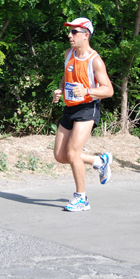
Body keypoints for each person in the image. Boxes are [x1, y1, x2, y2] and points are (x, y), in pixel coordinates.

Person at [52, 17, 114, 212]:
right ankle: (99, 161)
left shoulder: (95, 60)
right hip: (70, 107)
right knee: (60, 156)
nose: (69, 36)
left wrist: (87, 91)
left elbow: (108, 90)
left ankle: (81, 198)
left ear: (86, 35)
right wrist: (60, 90)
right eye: (69, 32)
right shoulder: (68, 53)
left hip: (88, 108)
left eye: (74, 32)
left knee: (73, 153)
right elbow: (66, 75)